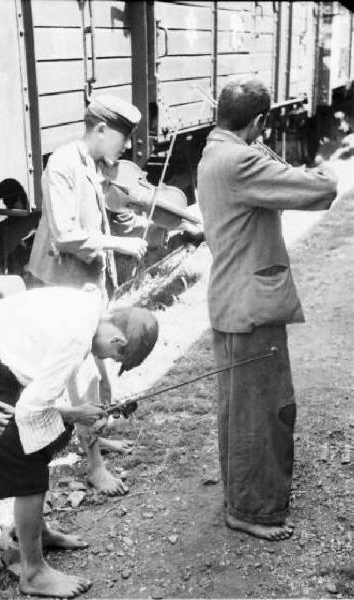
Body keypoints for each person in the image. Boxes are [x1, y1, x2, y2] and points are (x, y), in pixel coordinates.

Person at [197, 78, 337, 541]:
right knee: (262, 410)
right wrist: (324, 169)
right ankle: (251, 510)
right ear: (257, 122)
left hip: (233, 301)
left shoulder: (214, 151)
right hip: (251, 306)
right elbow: (318, 190)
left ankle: (242, 499)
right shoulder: (242, 160)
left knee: (238, 410)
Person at [0, 285, 158, 598]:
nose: (103, 358)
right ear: (117, 341)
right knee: (27, 464)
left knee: (45, 441)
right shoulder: (78, 337)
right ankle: (34, 573)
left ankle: (38, 533)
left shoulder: (89, 306)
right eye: (112, 356)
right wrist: (75, 413)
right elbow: (31, 412)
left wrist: (71, 415)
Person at [27, 94, 150, 495]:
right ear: (100, 129)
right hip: (62, 284)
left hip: (86, 285)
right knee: (81, 381)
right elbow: (65, 234)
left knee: (98, 375)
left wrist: (127, 218)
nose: (126, 147)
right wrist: (119, 243)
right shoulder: (63, 162)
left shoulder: (96, 164)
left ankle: (97, 438)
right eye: (122, 137)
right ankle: (94, 465)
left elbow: (98, 211)